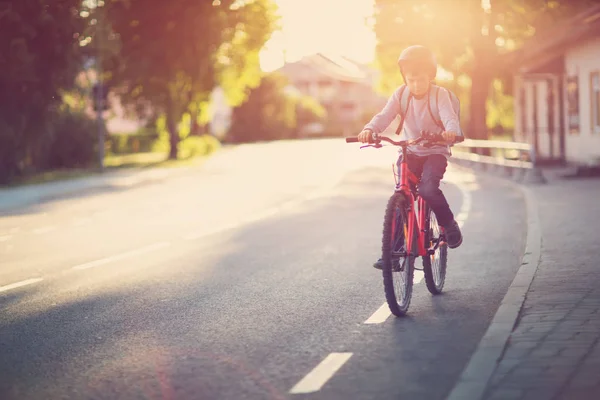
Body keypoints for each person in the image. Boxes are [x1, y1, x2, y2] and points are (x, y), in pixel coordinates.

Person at [357, 45, 463, 270]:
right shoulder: (401, 94)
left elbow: (449, 118)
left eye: (420, 79)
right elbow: (384, 115)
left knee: (427, 189)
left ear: (430, 76)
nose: (415, 85)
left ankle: (449, 225)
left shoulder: (439, 95)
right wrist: (369, 129)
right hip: (411, 151)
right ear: (405, 77)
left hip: (435, 151)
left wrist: (450, 131)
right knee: (401, 194)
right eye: (411, 79)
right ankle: (393, 254)